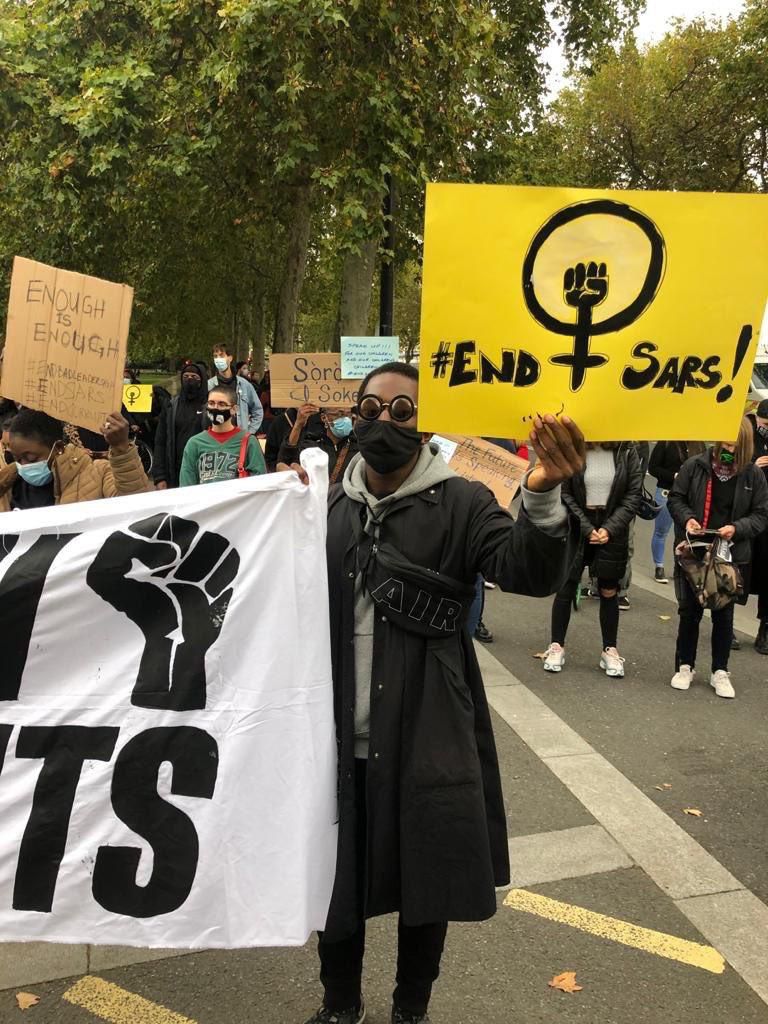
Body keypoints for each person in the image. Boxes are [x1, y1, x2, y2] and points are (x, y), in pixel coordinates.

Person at [281, 361, 585, 1024]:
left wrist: (540, 495)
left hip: (428, 728)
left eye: (401, 411)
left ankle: (409, 1010)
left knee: (430, 877)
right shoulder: (324, 507)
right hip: (334, 736)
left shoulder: (463, 501)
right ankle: (339, 1007)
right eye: (368, 408)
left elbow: (527, 572)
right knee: (335, 883)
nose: (381, 421)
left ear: (426, 427)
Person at [668, 418, 768, 697]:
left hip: (731, 554)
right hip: (695, 550)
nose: (727, 450)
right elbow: (676, 498)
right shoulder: (696, 466)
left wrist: (737, 528)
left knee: (724, 616)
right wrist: (688, 519)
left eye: (734, 446)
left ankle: (720, 671)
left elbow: (761, 515)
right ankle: (685, 665)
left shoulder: (752, 475)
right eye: (724, 443)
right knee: (690, 612)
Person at [543, 441, 642, 678]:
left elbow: (633, 495)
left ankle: (610, 649)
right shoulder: (575, 448)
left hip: (612, 529)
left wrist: (610, 528)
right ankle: (556, 645)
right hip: (578, 527)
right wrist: (586, 527)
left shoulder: (626, 451)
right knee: (566, 586)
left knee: (609, 590)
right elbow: (565, 492)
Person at [0, 408, 150, 511]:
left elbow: (135, 506)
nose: (23, 466)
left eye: (31, 458)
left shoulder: (98, 473)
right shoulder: (9, 485)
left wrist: (121, 447)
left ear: (58, 447)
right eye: (16, 459)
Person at [179, 384, 266, 485]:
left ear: (234, 409)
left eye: (222, 404)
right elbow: (186, 485)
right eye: (211, 403)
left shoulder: (249, 441)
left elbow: (260, 482)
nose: (215, 408)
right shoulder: (194, 443)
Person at [648, 441, 707, 584]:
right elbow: (653, 468)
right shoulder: (666, 443)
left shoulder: (699, 444)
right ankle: (659, 566)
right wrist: (673, 475)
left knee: (685, 533)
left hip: (690, 495)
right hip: (666, 491)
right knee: (661, 531)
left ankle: (681, 567)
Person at [153, 363, 209, 489]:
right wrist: (159, 476)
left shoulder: (210, 406)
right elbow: (160, 441)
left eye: (194, 377)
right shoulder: (171, 406)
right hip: (174, 470)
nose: (189, 379)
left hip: (203, 472)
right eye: (186, 376)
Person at [278, 403, 358, 485]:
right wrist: (298, 424)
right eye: (340, 414)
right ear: (324, 417)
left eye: (348, 415)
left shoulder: (359, 448)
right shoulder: (310, 447)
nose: (345, 419)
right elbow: (285, 463)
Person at [746, 401, 768, 653]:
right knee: (738, 570)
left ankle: (764, 628)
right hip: (747, 511)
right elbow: (727, 462)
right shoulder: (745, 433)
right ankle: (726, 625)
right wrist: (753, 464)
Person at [208, 344, 263, 434]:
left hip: (239, 439)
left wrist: (249, 432)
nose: (218, 359)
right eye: (215, 356)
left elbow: (258, 410)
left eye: (221, 355)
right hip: (216, 438)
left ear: (230, 358)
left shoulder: (245, 385)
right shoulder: (209, 385)